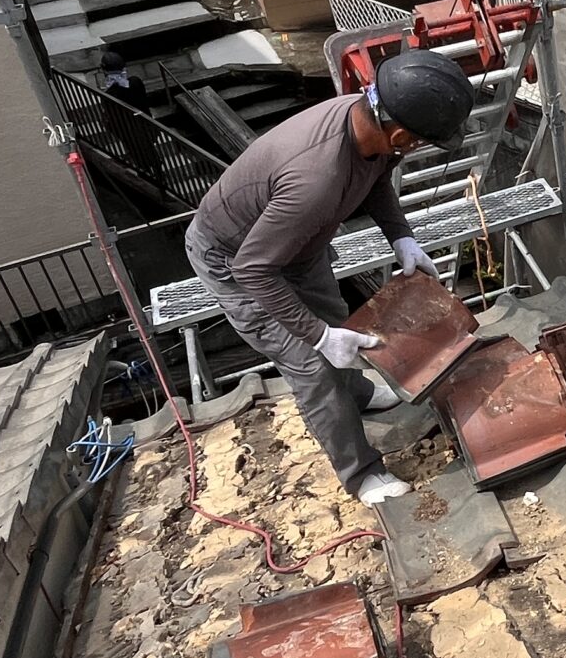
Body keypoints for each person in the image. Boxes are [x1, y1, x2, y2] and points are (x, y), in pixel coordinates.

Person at [185, 51, 474, 505]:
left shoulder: (370, 126)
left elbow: (377, 180)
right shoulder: (315, 179)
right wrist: (317, 337)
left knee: (339, 320)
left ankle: (356, 394)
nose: (415, 148)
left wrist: (401, 237)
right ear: (401, 134)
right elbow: (254, 270)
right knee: (312, 363)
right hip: (236, 260)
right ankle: (361, 475)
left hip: (295, 243)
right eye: (419, 142)